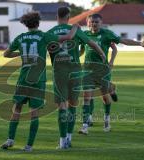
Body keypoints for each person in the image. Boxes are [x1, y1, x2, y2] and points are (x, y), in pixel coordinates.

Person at [0, 11, 79, 152]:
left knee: (17, 109)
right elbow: (69, 37)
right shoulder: (43, 36)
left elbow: (6, 54)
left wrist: (22, 54)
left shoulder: (20, 38)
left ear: (26, 24)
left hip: (23, 79)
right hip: (38, 80)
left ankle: (10, 139)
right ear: (38, 23)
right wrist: (75, 27)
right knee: (34, 113)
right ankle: (29, 146)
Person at [79, 13, 144, 135]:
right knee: (87, 97)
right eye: (92, 22)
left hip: (102, 71)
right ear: (88, 22)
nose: (94, 24)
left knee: (104, 97)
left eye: (97, 22)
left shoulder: (107, 34)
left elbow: (123, 40)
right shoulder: (84, 35)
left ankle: (106, 119)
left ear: (101, 23)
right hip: (87, 71)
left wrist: (139, 43)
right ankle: (85, 126)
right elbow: (81, 51)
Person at [47, 7, 107, 149]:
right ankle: (69, 138)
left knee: (62, 105)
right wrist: (103, 55)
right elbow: (92, 43)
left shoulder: (50, 32)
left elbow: (45, 49)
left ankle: (62, 142)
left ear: (57, 16)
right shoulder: (76, 29)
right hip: (75, 70)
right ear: (68, 16)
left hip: (59, 71)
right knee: (73, 104)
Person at [86, 42, 118, 127]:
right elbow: (82, 49)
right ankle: (89, 118)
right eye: (91, 26)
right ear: (89, 27)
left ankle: (107, 117)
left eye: (96, 26)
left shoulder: (106, 34)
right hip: (88, 69)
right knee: (89, 94)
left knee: (104, 95)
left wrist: (111, 61)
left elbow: (114, 48)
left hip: (102, 69)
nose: (93, 27)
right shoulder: (84, 35)